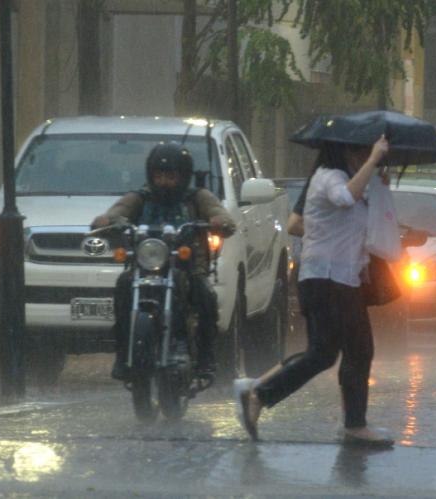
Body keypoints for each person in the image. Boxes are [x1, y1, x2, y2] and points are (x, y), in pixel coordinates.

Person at [234, 135, 394, 447]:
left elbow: (359, 228)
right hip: (325, 280)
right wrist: (374, 160)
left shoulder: (353, 182)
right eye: (360, 148)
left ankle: (262, 396)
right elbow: (344, 199)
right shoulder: (327, 177)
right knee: (339, 352)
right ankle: (262, 396)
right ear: (344, 148)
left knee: (337, 353)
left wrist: (380, 180)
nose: (364, 155)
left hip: (344, 280)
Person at [91, 142, 235, 380]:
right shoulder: (140, 197)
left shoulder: (198, 197)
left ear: (183, 175)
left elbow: (220, 214)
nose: (164, 181)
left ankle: (206, 356)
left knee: (206, 297)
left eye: (170, 176)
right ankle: (122, 353)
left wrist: (220, 221)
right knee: (123, 286)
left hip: (188, 267)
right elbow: (118, 212)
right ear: (151, 174)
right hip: (145, 267)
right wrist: (106, 221)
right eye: (159, 175)